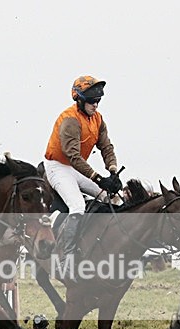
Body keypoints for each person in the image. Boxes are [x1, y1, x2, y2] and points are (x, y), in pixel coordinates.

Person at [43, 75, 122, 273]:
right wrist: (98, 178)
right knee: (77, 206)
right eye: (92, 101)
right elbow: (73, 156)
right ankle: (66, 259)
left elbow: (106, 146)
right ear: (79, 99)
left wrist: (113, 172)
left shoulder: (98, 119)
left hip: (75, 167)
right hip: (58, 166)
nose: (96, 105)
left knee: (114, 200)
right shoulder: (69, 120)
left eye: (98, 101)